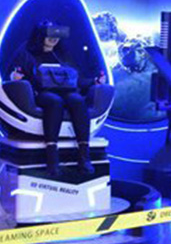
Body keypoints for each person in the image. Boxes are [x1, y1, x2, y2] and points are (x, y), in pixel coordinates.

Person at [10, 20, 102, 176]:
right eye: (49, 35)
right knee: (54, 101)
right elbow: (16, 73)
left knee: (78, 100)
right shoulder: (27, 53)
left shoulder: (62, 55)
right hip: (41, 92)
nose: (53, 38)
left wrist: (94, 81)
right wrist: (16, 76)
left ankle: (84, 156)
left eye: (56, 35)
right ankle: (52, 157)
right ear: (41, 35)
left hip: (66, 91)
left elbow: (76, 78)